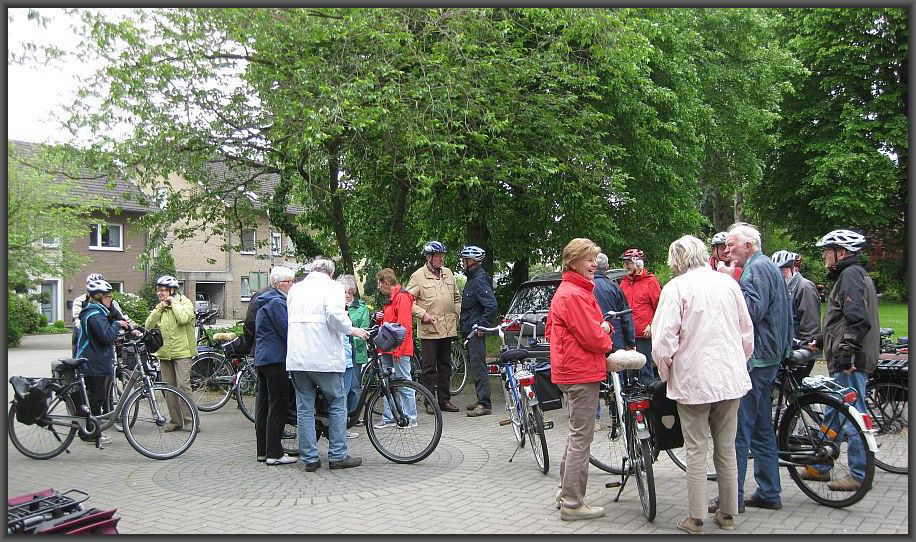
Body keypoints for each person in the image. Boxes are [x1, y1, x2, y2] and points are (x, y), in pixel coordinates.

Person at [651, 235, 754, 534]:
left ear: (677, 260)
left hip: (693, 380)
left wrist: (666, 372)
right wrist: (737, 363)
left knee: (696, 448)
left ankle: (695, 518)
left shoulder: (676, 288)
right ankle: (728, 514)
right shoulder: (728, 284)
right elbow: (746, 333)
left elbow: (663, 341)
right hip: (729, 378)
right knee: (727, 447)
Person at [709, 223, 793, 514]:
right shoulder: (768, 266)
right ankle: (769, 491)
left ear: (749, 245)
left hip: (756, 359)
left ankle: (733, 498)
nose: (727, 250)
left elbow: (750, 312)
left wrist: (730, 282)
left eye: (732, 245)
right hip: (770, 355)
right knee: (760, 428)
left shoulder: (755, 270)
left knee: (738, 430)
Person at [804, 229, 879, 492]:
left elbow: (858, 320)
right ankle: (820, 466)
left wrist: (846, 351)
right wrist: (823, 339)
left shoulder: (849, 276)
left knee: (853, 416)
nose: (824, 255)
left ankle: (858, 474)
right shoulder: (851, 275)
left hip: (851, 361)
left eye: (827, 250)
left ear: (842, 253)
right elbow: (843, 318)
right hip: (848, 356)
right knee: (834, 411)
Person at [547, 238, 613, 521]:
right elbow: (594, 338)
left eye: (595, 258)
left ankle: (565, 493)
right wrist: (606, 331)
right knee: (581, 439)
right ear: (572, 261)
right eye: (588, 258)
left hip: (573, 370)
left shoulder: (573, 289)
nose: (593, 263)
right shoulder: (573, 293)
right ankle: (573, 504)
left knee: (576, 434)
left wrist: (600, 327)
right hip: (580, 372)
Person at [286, 257, 368, 471]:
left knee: (304, 407)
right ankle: (338, 455)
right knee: (337, 402)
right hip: (324, 358)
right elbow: (334, 315)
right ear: (331, 273)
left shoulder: (296, 289)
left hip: (297, 357)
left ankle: (310, 458)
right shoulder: (333, 288)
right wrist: (352, 329)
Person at [405, 241, 462, 413]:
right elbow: (408, 301)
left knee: (445, 365)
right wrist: (423, 315)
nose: (441, 259)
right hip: (430, 330)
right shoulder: (418, 276)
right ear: (429, 257)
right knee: (429, 368)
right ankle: (430, 401)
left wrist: (456, 314)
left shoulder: (448, 273)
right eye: (438, 256)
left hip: (447, 328)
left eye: (442, 255)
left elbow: (457, 298)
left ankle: (444, 401)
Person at [74, 279, 129, 444]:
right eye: (108, 296)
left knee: (95, 398)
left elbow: (112, 322)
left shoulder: (99, 311)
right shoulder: (94, 314)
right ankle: (92, 434)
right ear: (98, 297)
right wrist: (117, 325)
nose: (110, 299)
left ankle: (89, 432)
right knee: (95, 399)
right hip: (93, 362)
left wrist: (127, 327)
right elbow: (105, 337)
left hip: (96, 360)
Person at [253, 266, 296, 465]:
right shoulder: (277, 303)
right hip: (276, 359)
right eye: (290, 281)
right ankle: (275, 453)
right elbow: (287, 331)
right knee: (278, 405)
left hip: (262, 359)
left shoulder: (263, 301)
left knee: (263, 406)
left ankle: (262, 451)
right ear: (280, 284)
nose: (293, 285)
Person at [144, 275, 197, 432]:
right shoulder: (161, 307)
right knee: (168, 389)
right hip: (165, 353)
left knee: (183, 386)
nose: (159, 293)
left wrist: (173, 303)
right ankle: (175, 421)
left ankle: (190, 422)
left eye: (163, 290)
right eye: (158, 290)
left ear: (172, 291)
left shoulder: (184, 302)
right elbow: (148, 325)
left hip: (183, 352)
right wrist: (159, 308)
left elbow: (183, 319)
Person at [371, 268, 418, 428]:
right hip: (387, 348)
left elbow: (404, 326)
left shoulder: (402, 298)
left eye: (379, 283)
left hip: (398, 349)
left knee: (404, 382)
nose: (378, 287)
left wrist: (398, 350)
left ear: (386, 282)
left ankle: (410, 417)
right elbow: (391, 323)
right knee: (388, 384)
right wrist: (380, 319)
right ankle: (390, 416)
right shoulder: (392, 299)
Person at [457, 245, 498, 417]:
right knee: (475, 366)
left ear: (472, 261)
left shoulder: (479, 279)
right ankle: (480, 398)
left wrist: (482, 325)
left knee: (479, 367)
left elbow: (491, 305)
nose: (462, 262)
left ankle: (484, 404)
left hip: (475, 331)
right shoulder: (473, 279)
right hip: (470, 330)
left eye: (464, 259)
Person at [618, 247, 662, 385]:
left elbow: (660, 307)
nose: (625, 266)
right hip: (628, 335)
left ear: (638, 263)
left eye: (628, 263)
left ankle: (648, 402)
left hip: (644, 334)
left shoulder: (650, 281)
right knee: (629, 370)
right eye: (624, 263)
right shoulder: (623, 282)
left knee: (644, 368)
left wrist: (651, 324)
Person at [71, 273, 133, 357]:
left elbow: (119, 316)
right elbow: (77, 319)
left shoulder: (109, 301)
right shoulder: (80, 301)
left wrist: (131, 327)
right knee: (78, 340)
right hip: (88, 332)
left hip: (105, 329)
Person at [339, 274, 369, 435]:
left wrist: (353, 334)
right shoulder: (336, 306)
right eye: (345, 292)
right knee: (343, 388)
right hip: (341, 352)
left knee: (354, 387)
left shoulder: (361, 307)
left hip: (355, 352)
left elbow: (364, 327)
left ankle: (353, 417)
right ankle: (341, 422)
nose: (347, 295)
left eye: (350, 292)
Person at [771, 250, 821, 345]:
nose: (779, 274)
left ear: (792, 268)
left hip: (798, 352)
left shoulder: (805, 287)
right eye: (776, 271)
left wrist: (804, 350)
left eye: (783, 270)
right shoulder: (779, 288)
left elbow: (810, 327)